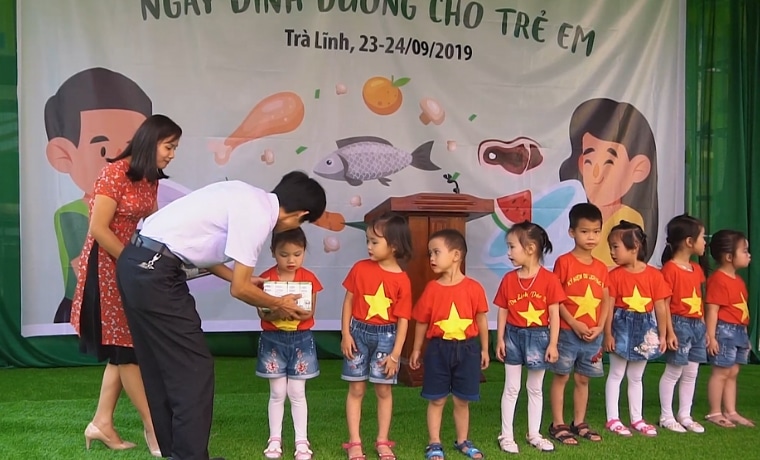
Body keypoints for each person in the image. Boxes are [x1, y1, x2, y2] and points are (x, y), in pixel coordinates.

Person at [115, 170, 326, 460]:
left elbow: (202, 250)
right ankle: (189, 455)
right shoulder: (260, 218)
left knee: (160, 365)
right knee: (194, 368)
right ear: (301, 214)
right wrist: (280, 304)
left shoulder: (246, 194)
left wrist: (242, 281)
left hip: (135, 262)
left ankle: (178, 452)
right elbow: (240, 290)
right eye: (303, 221)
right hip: (156, 272)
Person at [70, 114, 179, 455]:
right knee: (127, 351)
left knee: (122, 348)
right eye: (169, 146)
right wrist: (134, 262)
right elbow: (99, 229)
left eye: (175, 148)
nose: (173, 154)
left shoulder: (150, 179)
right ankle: (154, 428)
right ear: (150, 142)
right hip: (105, 269)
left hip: (130, 268)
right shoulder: (114, 173)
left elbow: (155, 224)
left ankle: (102, 423)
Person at [44, 67, 152, 323]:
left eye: (130, 147)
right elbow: (83, 262)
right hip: (94, 298)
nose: (119, 159)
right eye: (103, 149)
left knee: (122, 359)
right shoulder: (72, 213)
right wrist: (136, 262)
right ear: (63, 154)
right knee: (124, 356)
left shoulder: (144, 187)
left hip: (127, 289)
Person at [409, 229, 489, 460]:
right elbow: (422, 321)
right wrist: (416, 349)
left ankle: (463, 440)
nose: (431, 258)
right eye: (429, 253)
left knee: (463, 399)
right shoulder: (432, 289)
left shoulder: (474, 288)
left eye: (436, 252)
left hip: (468, 349)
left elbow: (481, 319)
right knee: (437, 398)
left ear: (456, 255)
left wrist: (484, 348)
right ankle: (434, 442)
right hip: (438, 350)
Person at [340, 213, 413, 460]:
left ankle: (383, 441)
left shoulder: (402, 279)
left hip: (387, 338)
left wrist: (395, 355)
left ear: (394, 245)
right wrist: (346, 333)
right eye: (367, 241)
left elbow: (403, 320)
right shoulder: (360, 268)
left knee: (383, 391)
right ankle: (354, 442)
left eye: (375, 241)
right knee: (357, 389)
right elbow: (348, 300)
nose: (369, 246)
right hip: (357, 333)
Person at [494, 221, 563, 453]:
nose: (509, 253)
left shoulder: (550, 279)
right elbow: (502, 309)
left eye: (512, 247)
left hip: (539, 338)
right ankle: (506, 435)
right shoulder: (508, 280)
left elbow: (554, 315)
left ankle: (534, 433)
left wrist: (553, 344)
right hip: (513, 336)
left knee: (535, 387)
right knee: (511, 388)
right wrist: (501, 339)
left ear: (531, 248)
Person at [256, 228, 322, 460]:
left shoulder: (310, 279)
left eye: (297, 253)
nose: (291, 260)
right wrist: (278, 309)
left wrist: (292, 311)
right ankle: (274, 439)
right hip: (272, 339)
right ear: (273, 252)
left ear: (304, 252)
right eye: (284, 254)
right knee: (277, 392)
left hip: (301, 340)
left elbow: (309, 312)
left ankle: (301, 441)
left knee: (297, 392)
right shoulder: (266, 279)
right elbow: (264, 315)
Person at [549, 203, 610, 446]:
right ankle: (557, 424)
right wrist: (573, 323)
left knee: (583, 379)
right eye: (585, 231)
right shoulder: (564, 263)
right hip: (567, 333)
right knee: (562, 377)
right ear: (572, 232)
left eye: (596, 231)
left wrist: (600, 327)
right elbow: (556, 298)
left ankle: (579, 422)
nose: (591, 237)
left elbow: (606, 300)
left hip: (592, 335)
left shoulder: (601, 267)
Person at [604, 221, 670, 437]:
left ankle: (637, 418)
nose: (612, 252)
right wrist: (608, 334)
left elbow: (660, 306)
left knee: (636, 376)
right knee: (616, 373)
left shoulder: (654, 275)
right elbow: (609, 307)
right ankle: (613, 418)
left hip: (644, 329)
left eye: (616, 247)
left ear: (634, 247)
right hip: (621, 327)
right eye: (611, 247)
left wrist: (662, 334)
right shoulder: (613, 276)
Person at [658, 215, 709, 433]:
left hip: (697, 325)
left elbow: (699, 298)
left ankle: (685, 414)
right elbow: (665, 304)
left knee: (691, 372)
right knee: (674, 371)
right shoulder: (669, 269)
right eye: (702, 237)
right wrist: (669, 332)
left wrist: (704, 327)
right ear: (689, 241)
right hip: (679, 324)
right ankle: (666, 416)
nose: (705, 242)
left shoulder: (696, 270)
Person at [704, 229, 755, 428]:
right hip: (724, 332)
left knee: (733, 372)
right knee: (721, 372)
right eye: (744, 251)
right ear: (728, 256)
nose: (748, 255)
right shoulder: (718, 279)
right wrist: (711, 335)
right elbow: (712, 310)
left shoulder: (739, 280)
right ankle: (715, 412)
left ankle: (731, 411)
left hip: (739, 331)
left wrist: (744, 336)